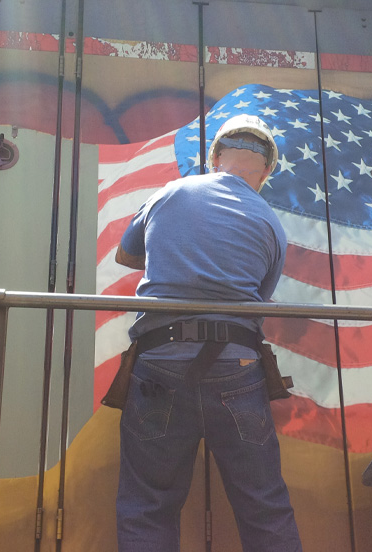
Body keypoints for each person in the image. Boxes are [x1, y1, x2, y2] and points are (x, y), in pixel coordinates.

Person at [114, 114, 302, 552]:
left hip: (159, 361)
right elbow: (256, 300)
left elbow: (128, 255)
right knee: (265, 506)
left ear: (214, 158)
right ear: (267, 172)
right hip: (238, 366)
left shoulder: (170, 192)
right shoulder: (272, 224)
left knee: (147, 506)